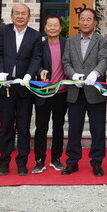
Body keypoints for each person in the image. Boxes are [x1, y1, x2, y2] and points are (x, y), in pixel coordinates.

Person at [0, 3, 42, 176]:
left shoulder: (35, 35)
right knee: (5, 126)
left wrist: (29, 75)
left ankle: (22, 163)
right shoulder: (4, 32)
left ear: (29, 16)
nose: (20, 16)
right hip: (6, 86)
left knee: (24, 127)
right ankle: (4, 162)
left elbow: (36, 58)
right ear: (11, 16)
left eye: (23, 13)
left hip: (24, 87)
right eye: (17, 13)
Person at [61, 7, 107, 176]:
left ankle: (97, 162)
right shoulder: (70, 40)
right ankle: (72, 161)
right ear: (79, 21)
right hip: (75, 92)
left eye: (89, 19)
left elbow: (104, 60)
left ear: (95, 22)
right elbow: (66, 62)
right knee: (74, 129)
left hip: (95, 92)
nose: (85, 22)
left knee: (97, 130)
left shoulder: (102, 41)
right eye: (82, 19)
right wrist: (73, 74)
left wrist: (95, 74)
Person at [33, 14, 68, 174]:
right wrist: (40, 71)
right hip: (44, 92)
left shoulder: (67, 44)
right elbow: (35, 63)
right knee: (41, 127)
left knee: (58, 127)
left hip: (62, 93)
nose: (53, 28)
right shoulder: (39, 45)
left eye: (56, 25)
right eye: (49, 25)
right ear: (45, 28)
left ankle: (56, 158)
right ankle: (39, 160)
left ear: (60, 28)